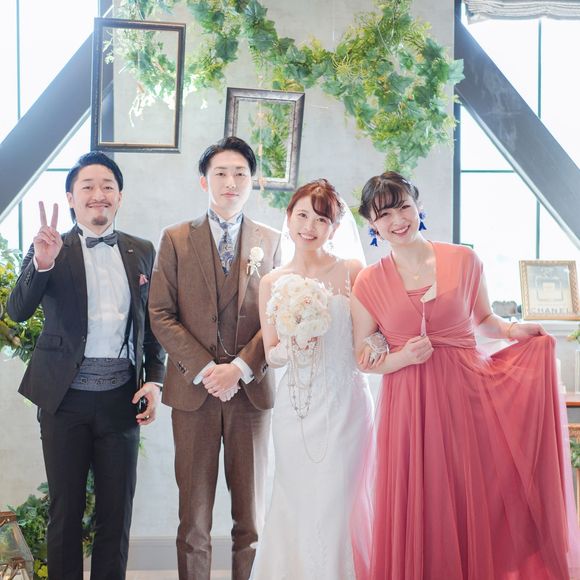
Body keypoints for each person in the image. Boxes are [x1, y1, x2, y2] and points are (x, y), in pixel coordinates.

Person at [350, 171, 580, 579]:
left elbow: (485, 320)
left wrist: (513, 330)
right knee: (421, 502)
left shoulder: (463, 260)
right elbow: (363, 358)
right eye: (384, 214)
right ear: (372, 223)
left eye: (403, 206)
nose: (397, 220)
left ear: (418, 206)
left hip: (465, 398)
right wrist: (402, 357)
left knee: (469, 497)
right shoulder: (368, 282)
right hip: (408, 409)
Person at [7, 151, 165, 580]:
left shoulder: (141, 251)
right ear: (71, 197)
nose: (99, 194)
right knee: (65, 513)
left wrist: (155, 382)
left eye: (108, 186)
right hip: (65, 400)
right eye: (88, 187)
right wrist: (42, 262)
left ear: (119, 197)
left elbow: (152, 325)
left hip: (122, 400)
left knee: (116, 513)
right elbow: (17, 311)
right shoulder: (51, 246)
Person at [148, 136, 281, 580]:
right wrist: (208, 371)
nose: (231, 182)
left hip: (251, 396)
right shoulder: (175, 239)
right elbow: (160, 313)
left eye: (240, 173)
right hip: (194, 395)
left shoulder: (271, 241)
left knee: (252, 520)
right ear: (203, 181)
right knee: (194, 519)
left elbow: (277, 316)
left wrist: (239, 369)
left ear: (252, 182)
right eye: (221, 173)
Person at [251, 179, 375, 579]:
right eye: (302, 215)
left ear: (334, 227)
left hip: (347, 405)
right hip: (297, 410)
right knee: (298, 500)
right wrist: (294, 344)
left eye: (321, 219)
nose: (310, 226)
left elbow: (367, 339)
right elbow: (271, 352)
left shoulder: (352, 272)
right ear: (288, 218)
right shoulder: (272, 282)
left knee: (341, 502)